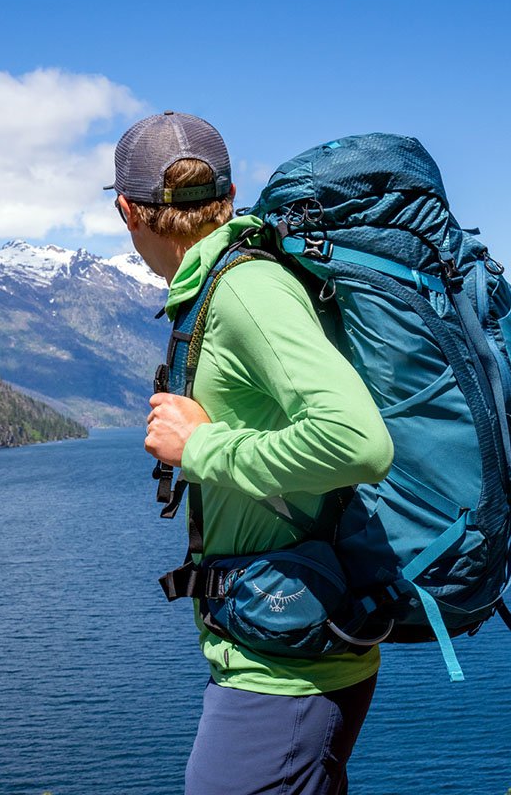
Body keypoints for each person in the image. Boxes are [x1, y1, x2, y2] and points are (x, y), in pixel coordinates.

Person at [107, 111, 394, 794]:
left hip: (287, 671)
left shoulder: (244, 289)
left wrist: (201, 445)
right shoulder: (221, 285)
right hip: (276, 640)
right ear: (230, 199)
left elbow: (359, 442)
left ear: (127, 211)